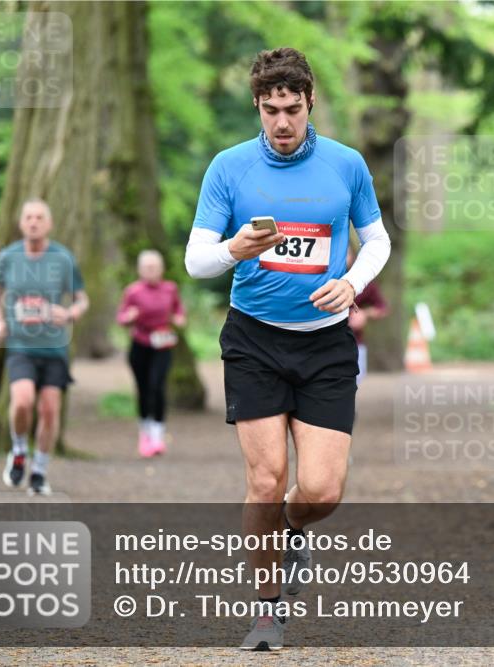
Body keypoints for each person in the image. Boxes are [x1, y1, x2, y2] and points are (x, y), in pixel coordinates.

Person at [184, 47, 391, 651]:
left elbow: (377, 241)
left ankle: (293, 530)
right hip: (253, 339)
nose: (282, 123)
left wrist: (352, 283)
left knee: (321, 491)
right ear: (256, 105)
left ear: (310, 103)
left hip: (326, 344)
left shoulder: (346, 165)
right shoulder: (229, 167)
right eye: (270, 110)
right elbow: (196, 261)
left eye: (292, 110)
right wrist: (235, 249)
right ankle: (267, 612)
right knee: (267, 478)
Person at [0, 199, 89, 496]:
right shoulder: (8, 257)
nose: (33, 222)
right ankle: (19, 450)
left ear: (49, 223)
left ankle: (39, 471)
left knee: (49, 409)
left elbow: (82, 299)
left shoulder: (63, 258)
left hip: (54, 348)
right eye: (28, 217)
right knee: (22, 401)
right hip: (20, 344)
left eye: (39, 218)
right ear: (21, 223)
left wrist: (69, 313)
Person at [116, 250, 186, 457]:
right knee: (144, 389)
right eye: (147, 267)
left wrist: (179, 318)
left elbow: (179, 309)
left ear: (161, 269)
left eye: (154, 267)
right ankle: (144, 433)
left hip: (162, 343)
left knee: (157, 387)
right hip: (140, 344)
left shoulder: (170, 288)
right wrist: (129, 317)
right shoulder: (133, 291)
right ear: (139, 270)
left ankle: (157, 435)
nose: (151, 271)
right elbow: (121, 318)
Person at [346, 246, 389, 384]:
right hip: (322, 342)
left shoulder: (363, 281)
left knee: (354, 382)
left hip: (354, 342)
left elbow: (383, 308)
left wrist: (364, 314)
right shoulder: (319, 279)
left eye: (346, 252)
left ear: (353, 255)